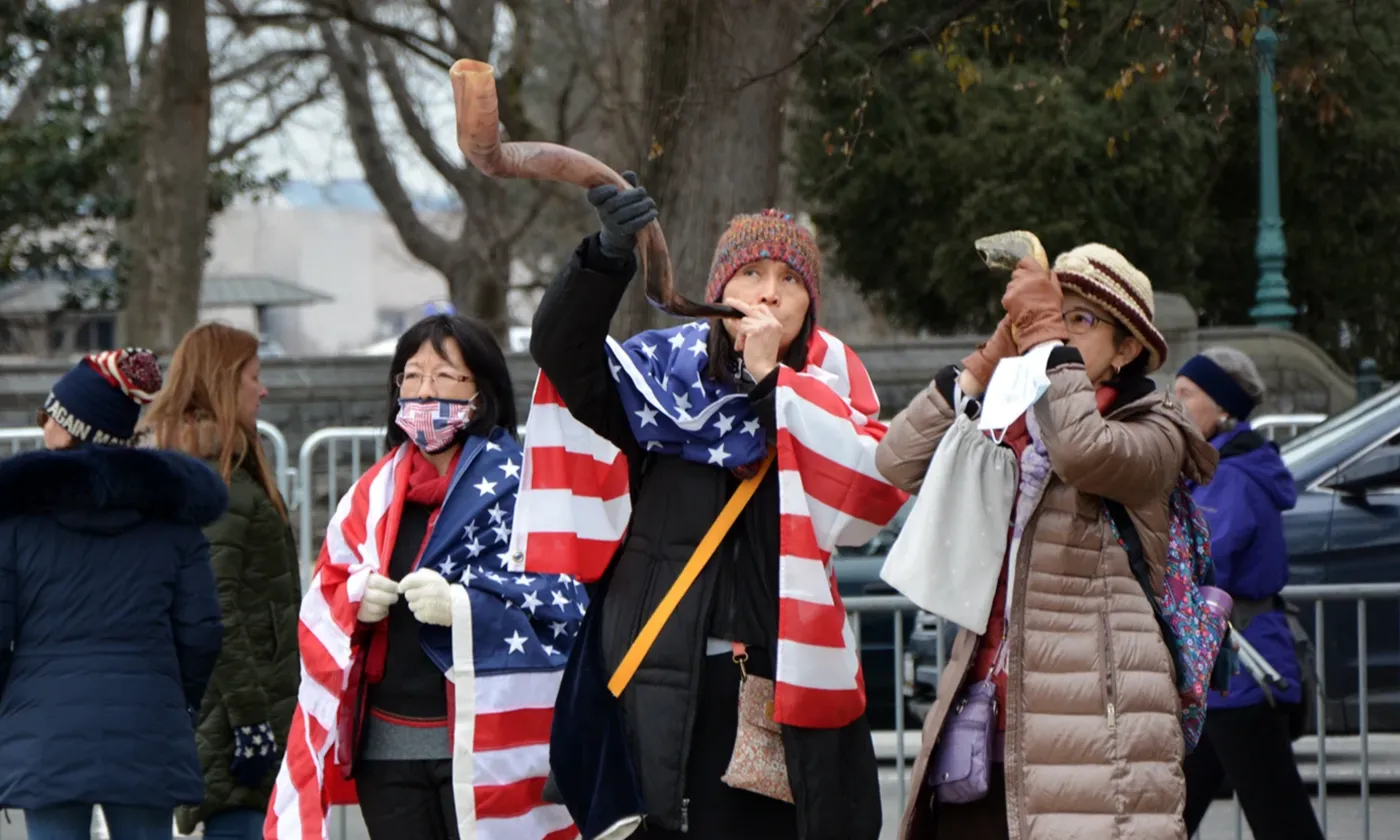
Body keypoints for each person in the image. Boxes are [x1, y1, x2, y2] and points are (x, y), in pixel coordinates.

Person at [519, 177, 908, 840]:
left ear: (808, 306)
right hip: (654, 671)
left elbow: (861, 503)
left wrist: (769, 386)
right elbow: (564, 353)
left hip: (771, 683)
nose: (769, 291)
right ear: (718, 290)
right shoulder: (656, 386)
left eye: (790, 279)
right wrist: (608, 254)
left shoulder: (834, 406)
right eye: (751, 272)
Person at [877, 247, 1219, 840]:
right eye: (1053, 313)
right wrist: (986, 362)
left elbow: (1082, 451)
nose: (1057, 331)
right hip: (983, 730)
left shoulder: (1157, 428)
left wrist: (1046, 347)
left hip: (1094, 743)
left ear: (1127, 348)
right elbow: (897, 460)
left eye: (1079, 321)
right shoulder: (1010, 418)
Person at [266, 314, 581, 840]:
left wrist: (464, 606)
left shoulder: (526, 490)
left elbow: (560, 601)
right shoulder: (370, 496)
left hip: (491, 752)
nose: (423, 391)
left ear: (481, 391)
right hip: (386, 754)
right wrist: (354, 602)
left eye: (443, 376)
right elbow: (325, 596)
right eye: (411, 376)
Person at [0, 349, 226, 840]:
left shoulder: (16, 523)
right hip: (148, 719)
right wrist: (176, 699)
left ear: (69, 426)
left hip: (44, 730)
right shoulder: (175, 519)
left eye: (48, 416)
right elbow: (203, 632)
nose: (42, 428)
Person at [136, 323, 301, 840]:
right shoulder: (216, 482)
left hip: (227, 708)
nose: (264, 388)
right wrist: (253, 722)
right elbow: (218, 609)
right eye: (255, 376)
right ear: (227, 383)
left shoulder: (213, 468)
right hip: (233, 718)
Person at [1173, 347, 1325, 839]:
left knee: (1279, 821)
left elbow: (1201, 563)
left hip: (1242, 670)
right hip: (1220, 671)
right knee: (1164, 817)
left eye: (1185, 394)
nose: (1171, 405)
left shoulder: (1231, 477)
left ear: (1223, 408)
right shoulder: (1215, 468)